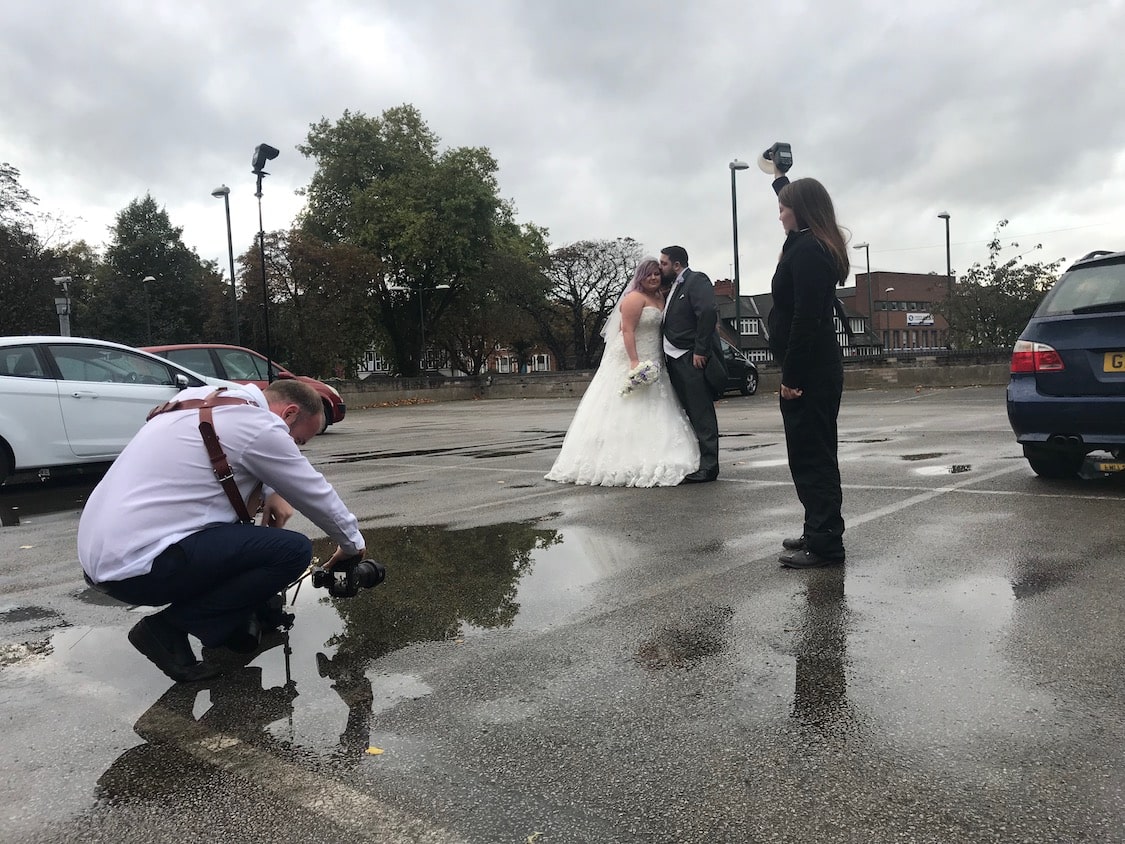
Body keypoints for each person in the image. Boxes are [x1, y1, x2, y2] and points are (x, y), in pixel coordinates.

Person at [78, 378, 366, 682]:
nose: (292, 448)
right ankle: (168, 629)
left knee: (246, 540)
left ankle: (232, 620)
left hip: (106, 560)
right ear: (289, 414)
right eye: (296, 442)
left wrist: (271, 490)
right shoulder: (258, 425)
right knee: (292, 551)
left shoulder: (205, 399)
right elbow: (315, 493)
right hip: (138, 567)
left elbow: (235, 450)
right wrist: (352, 545)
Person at [545, 258, 699, 487]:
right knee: (628, 405)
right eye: (649, 274)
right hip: (632, 356)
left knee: (657, 406)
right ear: (640, 277)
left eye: (657, 273)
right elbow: (626, 331)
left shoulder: (660, 297)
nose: (654, 278)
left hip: (656, 358)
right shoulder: (634, 299)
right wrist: (635, 361)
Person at [766, 165, 848, 568]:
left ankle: (827, 543)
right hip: (810, 370)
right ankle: (817, 529)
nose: (779, 214)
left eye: (784, 209)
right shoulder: (807, 242)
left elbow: (807, 318)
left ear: (800, 211)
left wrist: (792, 378)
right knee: (807, 454)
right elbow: (796, 200)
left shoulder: (810, 251)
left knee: (813, 455)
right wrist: (780, 177)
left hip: (810, 373)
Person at [660, 245, 722, 483]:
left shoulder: (696, 280)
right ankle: (698, 460)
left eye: (664, 263)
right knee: (689, 412)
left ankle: (709, 466)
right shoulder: (674, 287)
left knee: (701, 411)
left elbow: (707, 312)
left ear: (677, 265)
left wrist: (700, 350)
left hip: (690, 357)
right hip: (674, 359)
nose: (660, 267)